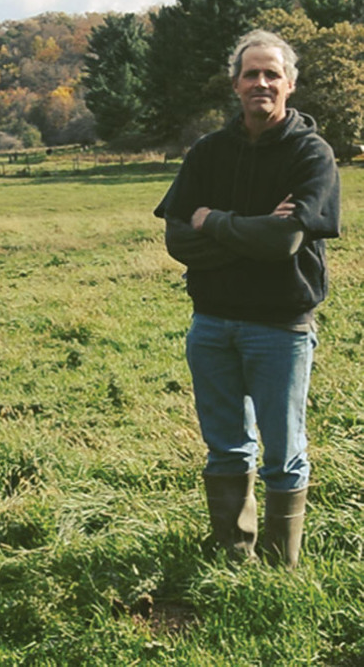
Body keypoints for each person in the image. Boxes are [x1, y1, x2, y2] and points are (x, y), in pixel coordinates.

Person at [154, 29, 340, 568]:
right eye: (251, 73)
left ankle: (281, 567)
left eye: (271, 74)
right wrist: (253, 231)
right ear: (235, 84)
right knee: (225, 448)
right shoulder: (209, 152)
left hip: (281, 326)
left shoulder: (312, 153)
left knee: (284, 453)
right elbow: (176, 238)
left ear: (289, 84)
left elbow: (284, 242)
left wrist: (212, 221)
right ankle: (234, 557)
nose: (261, 82)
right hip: (211, 324)